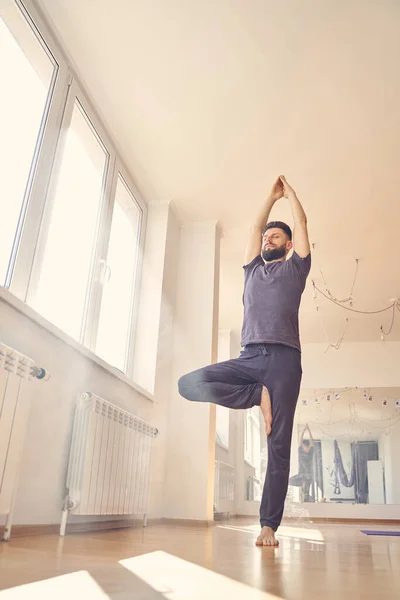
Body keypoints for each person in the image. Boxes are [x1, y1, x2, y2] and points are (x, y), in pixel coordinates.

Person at [178, 175, 311, 546]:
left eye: (276, 237)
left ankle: (268, 525)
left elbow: (302, 225)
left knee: (278, 446)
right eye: (267, 236)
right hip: (250, 357)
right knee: (188, 384)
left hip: (284, 361)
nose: (268, 238)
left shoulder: (296, 268)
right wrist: (269, 200)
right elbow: (255, 225)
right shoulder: (252, 270)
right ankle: (257, 396)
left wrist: (291, 197)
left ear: (287, 247)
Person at [289, 424, 315, 502]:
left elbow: (312, 442)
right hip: (301, 474)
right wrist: (304, 430)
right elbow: (300, 441)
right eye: (303, 446)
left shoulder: (310, 452)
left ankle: (306, 498)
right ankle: (303, 487)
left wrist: (309, 431)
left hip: (308, 476)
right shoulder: (300, 452)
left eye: (304, 446)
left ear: (307, 447)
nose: (303, 447)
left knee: (306, 491)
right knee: (289, 481)